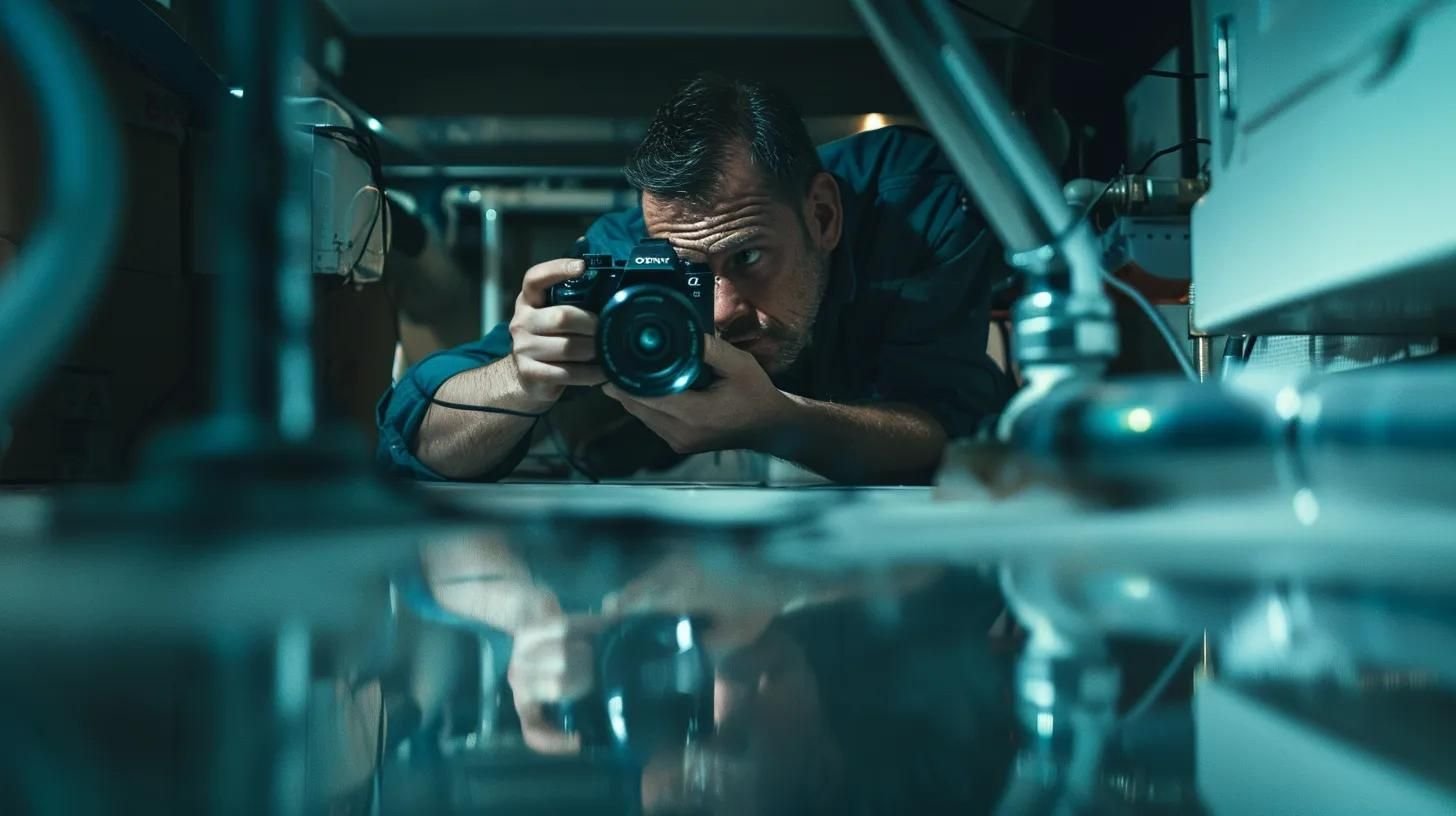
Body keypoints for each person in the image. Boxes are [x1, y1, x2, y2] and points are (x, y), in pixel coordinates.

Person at [376, 73, 1013, 484]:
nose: (721, 312)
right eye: (688, 273)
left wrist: (773, 421)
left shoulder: (912, 203)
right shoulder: (625, 260)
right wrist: (521, 378)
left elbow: (951, 432)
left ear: (822, 215)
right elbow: (412, 441)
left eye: (749, 258)